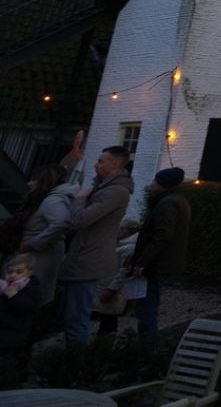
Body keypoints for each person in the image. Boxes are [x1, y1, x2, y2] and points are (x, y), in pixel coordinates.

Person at [25, 145, 133, 347]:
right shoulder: (103, 187)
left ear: (115, 165)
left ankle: (75, 359)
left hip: (89, 259)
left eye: (100, 161)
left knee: (77, 316)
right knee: (72, 313)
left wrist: (80, 199)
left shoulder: (115, 192)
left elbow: (80, 220)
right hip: (82, 255)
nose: (95, 164)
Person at [130, 167, 191, 346]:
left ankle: (146, 347)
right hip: (161, 262)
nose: (152, 185)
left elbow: (163, 235)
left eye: (155, 182)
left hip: (156, 264)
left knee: (147, 306)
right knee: (149, 303)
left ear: (163, 184)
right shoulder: (178, 200)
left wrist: (143, 261)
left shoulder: (167, 204)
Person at [9, 164, 78, 309]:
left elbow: (59, 223)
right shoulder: (49, 199)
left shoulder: (52, 201)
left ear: (44, 181)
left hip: (37, 255)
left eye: (34, 179)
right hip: (37, 254)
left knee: (26, 298)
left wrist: (31, 243)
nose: (29, 183)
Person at [94, 220, 141, 337]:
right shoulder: (124, 245)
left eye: (121, 228)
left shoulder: (129, 248)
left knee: (109, 316)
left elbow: (123, 271)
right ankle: (104, 338)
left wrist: (111, 289)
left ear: (126, 231)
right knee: (107, 315)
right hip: (109, 284)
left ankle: (105, 340)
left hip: (113, 287)